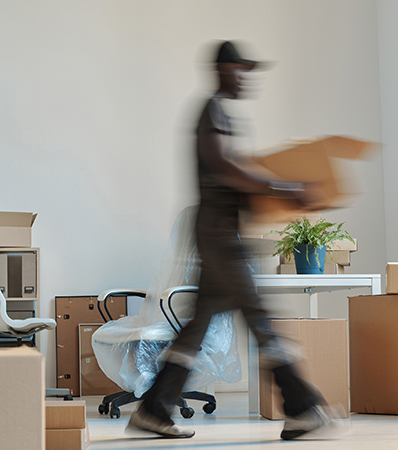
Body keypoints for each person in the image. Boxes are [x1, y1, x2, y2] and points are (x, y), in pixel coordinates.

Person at [127, 40, 337, 440]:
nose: (245, 78)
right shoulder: (212, 110)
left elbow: (232, 172)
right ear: (223, 68)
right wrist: (284, 186)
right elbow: (223, 166)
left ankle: (153, 409)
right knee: (259, 318)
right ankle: (302, 407)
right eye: (241, 69)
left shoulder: (219, 113)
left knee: (197, 328)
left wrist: (272, 190)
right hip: (219, 237)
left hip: (220, 233)